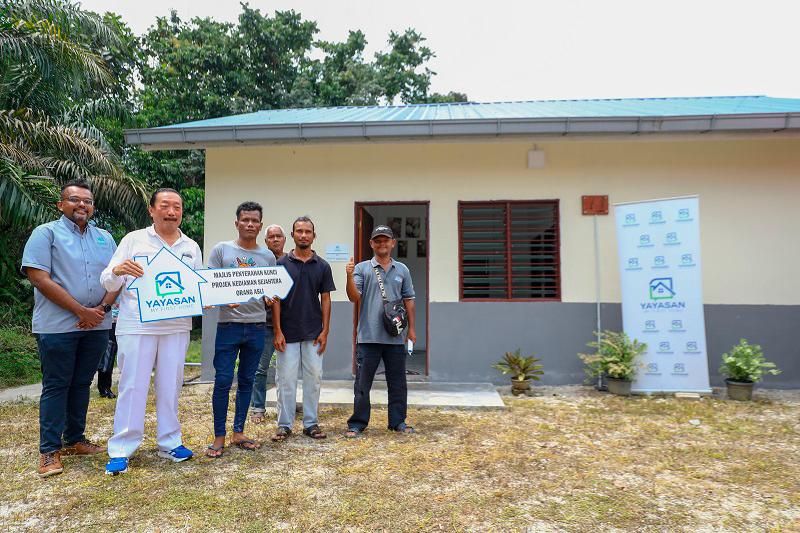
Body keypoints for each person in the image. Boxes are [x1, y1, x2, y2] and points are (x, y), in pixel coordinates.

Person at [100, 188, 203, 475]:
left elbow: (198, 285)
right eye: (165, 206)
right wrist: (118, 270)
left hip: (177, 326)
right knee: (133, 386)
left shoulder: (191, 246)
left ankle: (170, 442)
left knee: (171, 384)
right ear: (152, 210)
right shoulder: (134, 240)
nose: (172, 212)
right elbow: (108, 281)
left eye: (177, 207)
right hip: (136, 325)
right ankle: (121, 449)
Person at [21, 180, 119, 478]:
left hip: (97, 325)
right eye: (75, 199)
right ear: (60, 204)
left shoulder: (104, 237)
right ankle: (49, 451)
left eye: (87, 201)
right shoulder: (45, 233)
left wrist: (99, 311)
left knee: (81, 383)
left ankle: (75, 439)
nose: (82, 205)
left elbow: (118, 276)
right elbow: (39, 278)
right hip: (58, 327)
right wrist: (81, 311)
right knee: (56, 385)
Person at [205, 202, 276, 458]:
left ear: (260, 225)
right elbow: (209, 286)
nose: (249, 224)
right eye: (245, 220)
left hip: (257, 327)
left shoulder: (267, 256)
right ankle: (218, 436)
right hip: (228, 326)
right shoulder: (221, 250)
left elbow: (271, 289)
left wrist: (270, 296)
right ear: (237, 223)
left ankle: (239, 432)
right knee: (223, 381)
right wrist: (225, 298)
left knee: (247, 381)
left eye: (254, 220)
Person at [344, 225, 416, 438]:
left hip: (395, 337)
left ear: (393, 243)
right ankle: (357, 423)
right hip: (368, 336)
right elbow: (353, 297)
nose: (382, 244)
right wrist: (348, 277)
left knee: (397, 383)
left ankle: (398, 422)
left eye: (386, 240)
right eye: (378, 240)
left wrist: (411, 329)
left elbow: (409, 299)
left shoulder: (402, 270)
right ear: (371, 244)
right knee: (362, 384)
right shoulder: (362, 268)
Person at [271, 216, 335, 441]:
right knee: (285, 379)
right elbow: (276, 299)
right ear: (293, 235)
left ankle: (311, 423)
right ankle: (284, 425)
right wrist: (277, 330)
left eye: (308, 231)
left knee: (314, 377)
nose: (303, 235)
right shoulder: (281, 265)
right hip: (286, 333)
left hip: (313, 333)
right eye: (299, 231)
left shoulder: (323, 266)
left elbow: (325, 299)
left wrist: (325, 331)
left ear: (314, 236)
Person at [250, 224, 287, 424]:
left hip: (288, 324)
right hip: (264, 324)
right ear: (265, 241)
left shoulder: (292, 261)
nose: (275, 239)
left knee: (287, 369)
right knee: (260, 368)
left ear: (284, 239)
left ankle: (286, 404)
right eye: (271, 237)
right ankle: (257, 407)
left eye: (278, 236)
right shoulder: (259, 261)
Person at [96, 302, 119, 399]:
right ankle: (104, 388)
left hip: (125, 321)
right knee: (108, 355)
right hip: (110, 322)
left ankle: (106, 387)